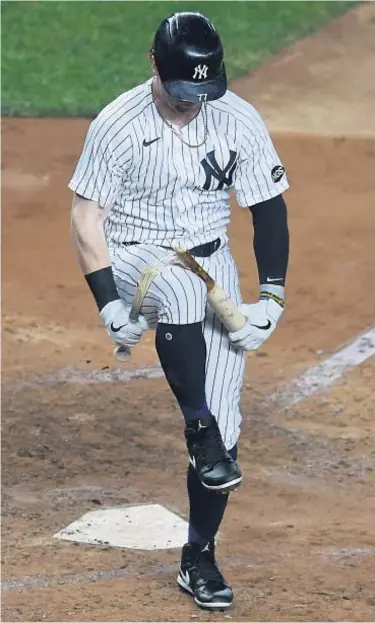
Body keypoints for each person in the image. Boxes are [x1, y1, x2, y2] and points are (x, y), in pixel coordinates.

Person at [69, 11, 289, 611]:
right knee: (185, 291)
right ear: (154, 66)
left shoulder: (237, 119)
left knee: (230, 433)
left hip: (213, 264)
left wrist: (271, 296)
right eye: (181, 88)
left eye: (203, 89)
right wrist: (107, 302)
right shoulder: (118, 124)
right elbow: (86, 217)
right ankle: (197, 426)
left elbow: (268, 207)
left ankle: (199, 557)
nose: (193, 102)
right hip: (137, 257)